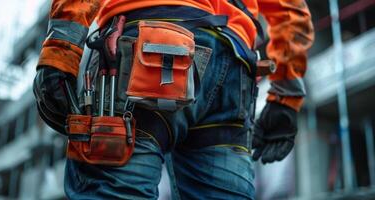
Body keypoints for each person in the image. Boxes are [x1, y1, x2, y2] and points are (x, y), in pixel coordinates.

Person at [33, 0, 314, 199]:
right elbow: (290, 9)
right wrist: (285, 97)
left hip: (149, 44)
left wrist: (61, 50)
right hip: (234, 66)